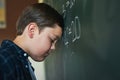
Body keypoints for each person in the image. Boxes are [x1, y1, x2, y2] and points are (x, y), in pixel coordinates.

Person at [0, 3, 64, 80]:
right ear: (32, 30)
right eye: (52, 40)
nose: (54, 47)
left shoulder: (23, 63)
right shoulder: (4, 60)